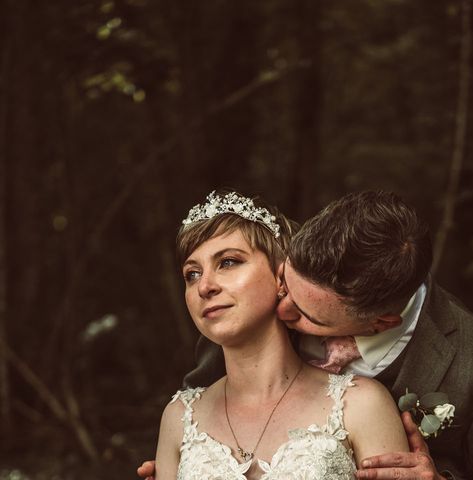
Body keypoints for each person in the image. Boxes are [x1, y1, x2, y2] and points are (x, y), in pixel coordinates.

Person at [141, 191, 473, 480]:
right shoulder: (239, 314)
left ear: (379, 322)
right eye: (286, 284)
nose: (283, 307)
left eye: (305, 314)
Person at [152, 190, 409, 480]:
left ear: (281, 276)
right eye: (192, 274)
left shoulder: (360, 405)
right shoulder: (179, 419)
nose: (204, 287)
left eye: (228, 262)